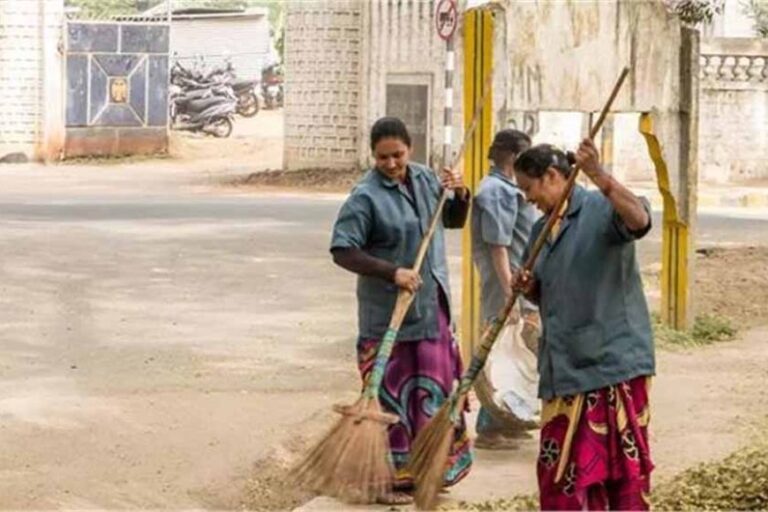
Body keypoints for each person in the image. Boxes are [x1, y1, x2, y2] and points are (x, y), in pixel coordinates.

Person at [329, 117, 473, 505]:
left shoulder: (428, 180)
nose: (391, 163)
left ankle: (430, 470)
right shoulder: (365, 197)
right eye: (383, 158)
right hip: (388, 319)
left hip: (431, 313)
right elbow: (343, 250)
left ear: (411, 149)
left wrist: (459, 194)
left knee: (434, 395)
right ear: (372, 156)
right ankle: (389, 481)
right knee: (392, 403)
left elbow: (454, 222)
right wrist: (393, 272)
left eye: (398, 155)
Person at [512, 140, 655, 510]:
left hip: (610, 364)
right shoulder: (541, 231)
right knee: (558, 473)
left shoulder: (601, 208)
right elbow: (551, 295)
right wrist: (530, 288)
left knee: (617, 474)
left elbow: (639, 220)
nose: (528, 199)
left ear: (553, 176)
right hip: (563, 368)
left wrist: (599, 175)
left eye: (529, 189)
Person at [470, 129, 540, 450]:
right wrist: (510, 295)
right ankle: (489, 425)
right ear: (513, 156)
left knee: (517, 351)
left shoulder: (510, 188)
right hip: (504, 285)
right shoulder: (495, 191)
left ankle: (510, 420)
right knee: (499, 352)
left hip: (517, 281)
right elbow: (498, 246)